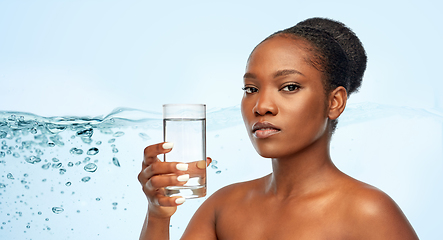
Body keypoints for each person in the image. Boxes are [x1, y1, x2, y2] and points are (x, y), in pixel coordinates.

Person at [138, 17, 419, 239]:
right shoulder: (223, 208)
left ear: (334, 102)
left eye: (290, 87)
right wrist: (157, 215)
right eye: (251, 88)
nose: (261, 106)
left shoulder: (368, 212)